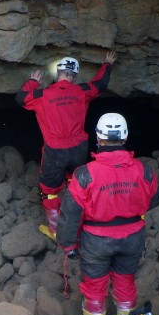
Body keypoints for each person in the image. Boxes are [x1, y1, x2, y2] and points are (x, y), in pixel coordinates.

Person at [57, 113, 159, 315]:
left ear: (98, 137)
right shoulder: (143, 170)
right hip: (132, 237)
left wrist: (68, 245)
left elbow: (70, 213)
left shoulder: (85, 174)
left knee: (95, 288)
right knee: (125, 282)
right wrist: (130, 209)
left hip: (96, 241)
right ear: (125, 137)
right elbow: (156, 197)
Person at [15, 51, 116, 241]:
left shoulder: (42, 95)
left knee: (49, 191)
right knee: (76, 183)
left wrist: (32, 82)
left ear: (57, 74)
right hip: (79, 149)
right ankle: (81, 222)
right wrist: (107, 64)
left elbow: (21, 98)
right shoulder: (81, 91)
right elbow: (100, 84)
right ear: (75, 77)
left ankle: (55, 231)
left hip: (55, 152)